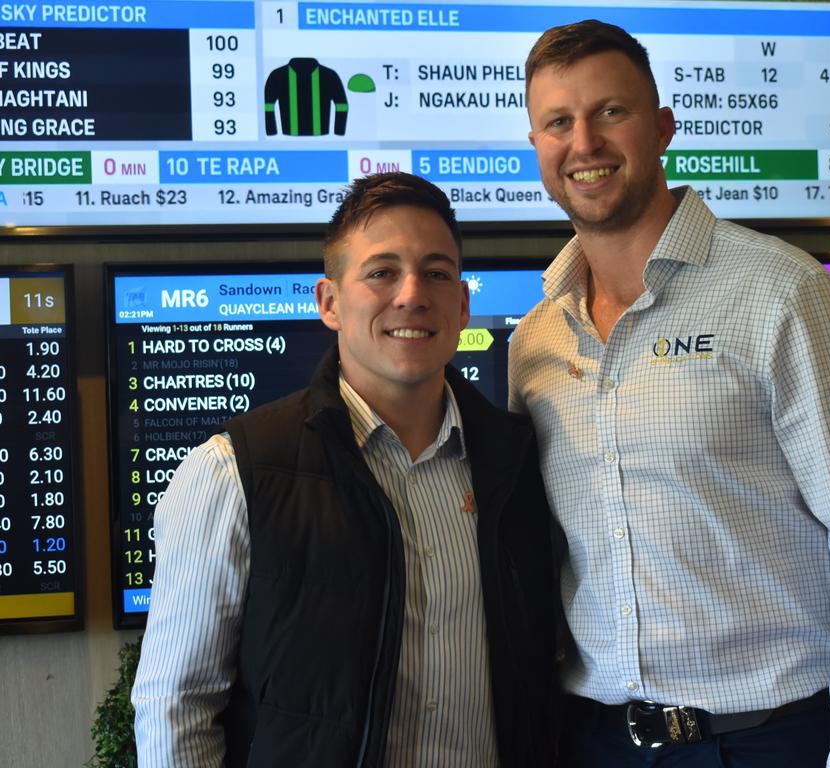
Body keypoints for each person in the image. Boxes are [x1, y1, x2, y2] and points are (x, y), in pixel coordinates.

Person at [509, 20, 830, 768]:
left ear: (664, 127)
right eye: (558, 122)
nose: (585, 143)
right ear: (539, 147)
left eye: (611, 111)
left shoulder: (784, 295)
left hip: (767, 741)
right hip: (594, 742)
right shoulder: (535, 341)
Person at [132, 172, 558, 767]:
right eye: (381, 272)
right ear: (329, 302)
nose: (412, 294)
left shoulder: (518, 465)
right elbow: (177, 706)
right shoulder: (232, 475)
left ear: (463, 305)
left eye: (436, 273)